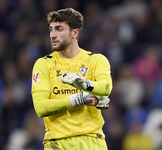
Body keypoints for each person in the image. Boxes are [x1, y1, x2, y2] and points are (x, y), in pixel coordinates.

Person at [31, 8, 113, 150]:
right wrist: (77, 99)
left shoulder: (96, 60)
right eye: (51, 29)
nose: (52, 35)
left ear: (75, 33)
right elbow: (40, 108)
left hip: (92, 140)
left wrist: (85, 85)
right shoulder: (43, 64)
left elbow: (106, 87)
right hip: (57, 142)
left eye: (59, 29)